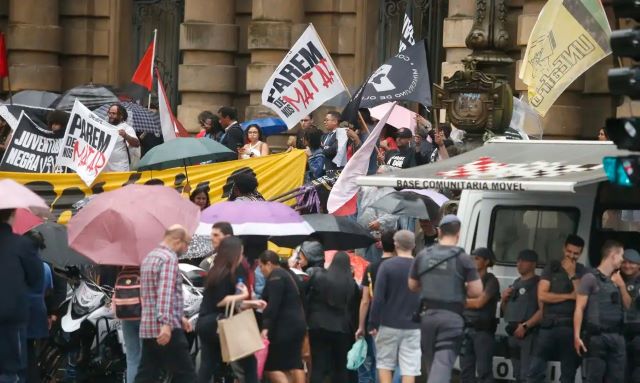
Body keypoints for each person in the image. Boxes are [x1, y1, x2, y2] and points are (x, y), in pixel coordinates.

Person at [408, 214, 483, 383]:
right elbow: (476, 291)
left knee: (431, 364)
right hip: (451, 319)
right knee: (442, 364)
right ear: (458, 234)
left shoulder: (423, 255)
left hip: (427, 317)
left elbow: (412, 285)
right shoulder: (463, 258)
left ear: (439, 232)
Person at [197, 236, 265, 383]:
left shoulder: (217, 271)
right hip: (218, 323)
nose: (241, 258)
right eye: (240, 254)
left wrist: (254, 303)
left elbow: (231, 303)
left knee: (207, 365)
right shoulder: (226, 273)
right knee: (249, 362)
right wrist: (245, 295)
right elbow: (222, 301)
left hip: (207, 323)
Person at [135, 225, 196, 382]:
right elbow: (165, 291)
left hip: (148, 326)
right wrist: (166, 323)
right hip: (166, 328)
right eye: (186, 243)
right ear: (177, 240)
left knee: (147, 374)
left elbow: (149, 293)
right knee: (186, 374)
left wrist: (179, 316)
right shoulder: (169, 259)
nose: (187, 248)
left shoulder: (149, 257)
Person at [527, 234, 587, 383]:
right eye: (569, 251)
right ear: (563, 249)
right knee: (534, 371)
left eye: (576, 253)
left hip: (569, 329)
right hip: (548, 327)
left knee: (568, 375)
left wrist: (572, 274)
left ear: (581, 253)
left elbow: (580, 296)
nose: (572, 256)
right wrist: (568, 296)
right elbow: (542, 296)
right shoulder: (552, 268)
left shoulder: (582, 271)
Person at [369, 231, 422, 383]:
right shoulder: (420, 268)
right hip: (413, 325)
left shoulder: (387, 267)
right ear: (413, 245)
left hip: (388, 323)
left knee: (385, 364)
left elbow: (378, 298)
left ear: (395, 245)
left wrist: (373, 323)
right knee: (409, 367)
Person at [573, 240, 628, 382]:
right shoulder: (590, 278)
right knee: (594, 378)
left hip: (617, 337)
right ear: (613, 255)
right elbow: (579, 308)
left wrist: (621, 286)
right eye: (621, 255)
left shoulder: (618, 279)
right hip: (597, 338)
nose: (622, 260)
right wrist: (577, 336)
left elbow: (628, 306)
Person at [0, 209, 44, 383]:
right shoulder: (22, 244)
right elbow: (36, 278)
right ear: (12, 215)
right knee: (11, 370)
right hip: (11, 316)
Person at [306, 251, 358, 383]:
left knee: (318, 365)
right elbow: (353, 309)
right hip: (342, 329)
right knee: (341, 367)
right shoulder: (351, 284)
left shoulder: (319, 276)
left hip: (317, 326)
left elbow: (307, 296)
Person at [259, 250, 306, 383]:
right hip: (297, 324)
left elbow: (274, 304)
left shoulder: (275, 276)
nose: (261, 271)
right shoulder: (288, 274)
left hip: (284, 327)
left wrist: (266, 327)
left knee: (271, 366)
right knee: (294, 363)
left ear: (268, 264)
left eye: (261, 266)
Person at [356, 230, 396, 383]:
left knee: (381, 362)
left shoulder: (371, 268)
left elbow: (365, 301)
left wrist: (361, 326)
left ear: (381, 245)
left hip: (377, 321)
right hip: (400, 321)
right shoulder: (405, 266)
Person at [501, 250, 542, 383]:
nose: (519, 264)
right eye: (518, 261)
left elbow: (543, 311)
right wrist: (504, 300)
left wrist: (525, 326)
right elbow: (505, 312)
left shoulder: (539, 284)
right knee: (517, 375)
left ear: (533, 264)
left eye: (523, 261)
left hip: (529, 335)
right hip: (513, 334)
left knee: (528, 376)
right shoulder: (515, 283)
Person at [460, 247, 500, 383]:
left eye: (477, 258)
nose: (472, 260)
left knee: (484, 371)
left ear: (486, 261)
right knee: (465, 371)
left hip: (482, 332)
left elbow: (479, 303)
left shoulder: (491, 281)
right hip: (466, 329)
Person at [621, 248, 640, 382]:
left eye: (632, 262)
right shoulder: (617, 279)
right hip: (621, 334)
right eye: (624, 262)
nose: (627, 266)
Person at [105, 103, 141, 172]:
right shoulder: (106, 126)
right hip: (105, 170)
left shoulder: (127, 128)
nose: (110, 115)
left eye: (113, 113)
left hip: (119, 169)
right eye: (109, 113)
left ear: (121, 116)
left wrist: (125, 136)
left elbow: (136, 143)